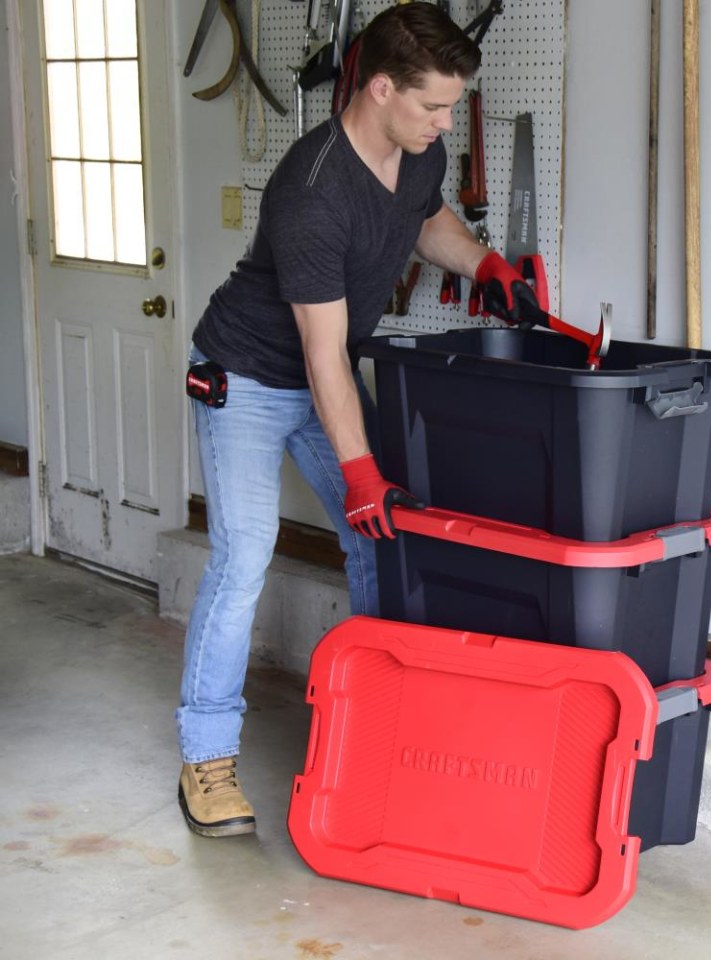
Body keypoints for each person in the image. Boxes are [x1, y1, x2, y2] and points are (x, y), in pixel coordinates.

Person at [176, 1, 541, 838]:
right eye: (434, 106)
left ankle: (381, 712)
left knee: (384, 534)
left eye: (452, 106)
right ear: (380, 88)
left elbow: (426, 219)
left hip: (320, 373)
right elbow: (323, 355)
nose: (446, 122)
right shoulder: (311, 192)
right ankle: (207, 758)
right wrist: (360, 473)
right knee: (244, 558)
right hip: (246, 376)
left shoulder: (417, 150)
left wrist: (484, 262)